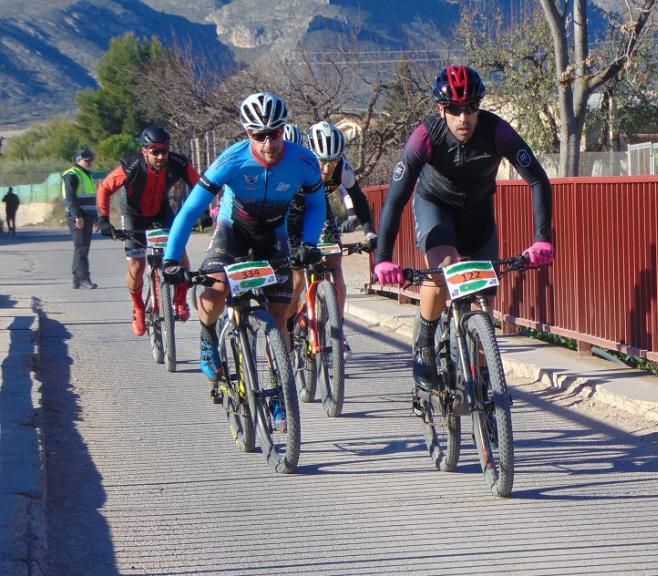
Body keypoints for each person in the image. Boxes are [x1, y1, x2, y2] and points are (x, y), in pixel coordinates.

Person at [373, 64, 555, 390]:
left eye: (471, 108)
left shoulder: (497, 131)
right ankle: (425, 340)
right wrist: (383, 258)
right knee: (445, 269)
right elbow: (396, 198)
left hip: (477, 215)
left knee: (484, 297)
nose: (464, 118)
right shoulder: (425, 136)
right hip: (435, 208)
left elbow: (539, 180)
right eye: (455, 109)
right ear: (441, 109)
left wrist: (543, 238)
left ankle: (484, 380)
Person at [162, 92, 327, 424]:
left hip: (273, 235)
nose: (268, 143)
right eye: (258, 135)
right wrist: (170, 257)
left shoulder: (303, 160)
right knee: (214, 291)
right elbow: (191, 209)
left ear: (284, 129)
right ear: (247, 133)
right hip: (233, 230)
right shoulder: (231, 159)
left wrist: (309, 242)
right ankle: (209, 338)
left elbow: (317, 205)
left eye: (275, 133)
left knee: (279, 316)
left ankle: (279, 392)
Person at [96, 126, 202, 335]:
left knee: (180, 256)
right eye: (155, 152)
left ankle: (180, 301)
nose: (161, 156)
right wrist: (104, 220)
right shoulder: (131, 166)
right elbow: (105, 188)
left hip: (161, 212)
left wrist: (203, 211)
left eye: (165, 150)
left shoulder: (178, 163)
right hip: (133, 215)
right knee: (136, 266)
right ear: (144, 151)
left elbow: (199, 185)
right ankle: (138, 308)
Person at [289, 120, 377, 360]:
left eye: (334, 161)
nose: (328, 168)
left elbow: (358, 198)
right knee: (294, 274)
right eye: (323, 161)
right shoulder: (296, 164)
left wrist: (369, 232)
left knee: (335, 261)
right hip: (290, 215)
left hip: (319, 213)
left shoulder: (342, 167)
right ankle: (288, 322)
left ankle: (337, 328)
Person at [62, 148, 99, 290]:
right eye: (86, 160)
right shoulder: (72, 175)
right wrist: (77, 215)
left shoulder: (86, 175)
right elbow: (70, 198)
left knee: (82, 247)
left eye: (91, 160)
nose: (89, 163)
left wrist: (96, 218)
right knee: (81, 247)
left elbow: (91, 199)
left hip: (88, 215)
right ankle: (84, 278)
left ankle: (77, 278)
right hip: (78, 216)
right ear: (78, 160)